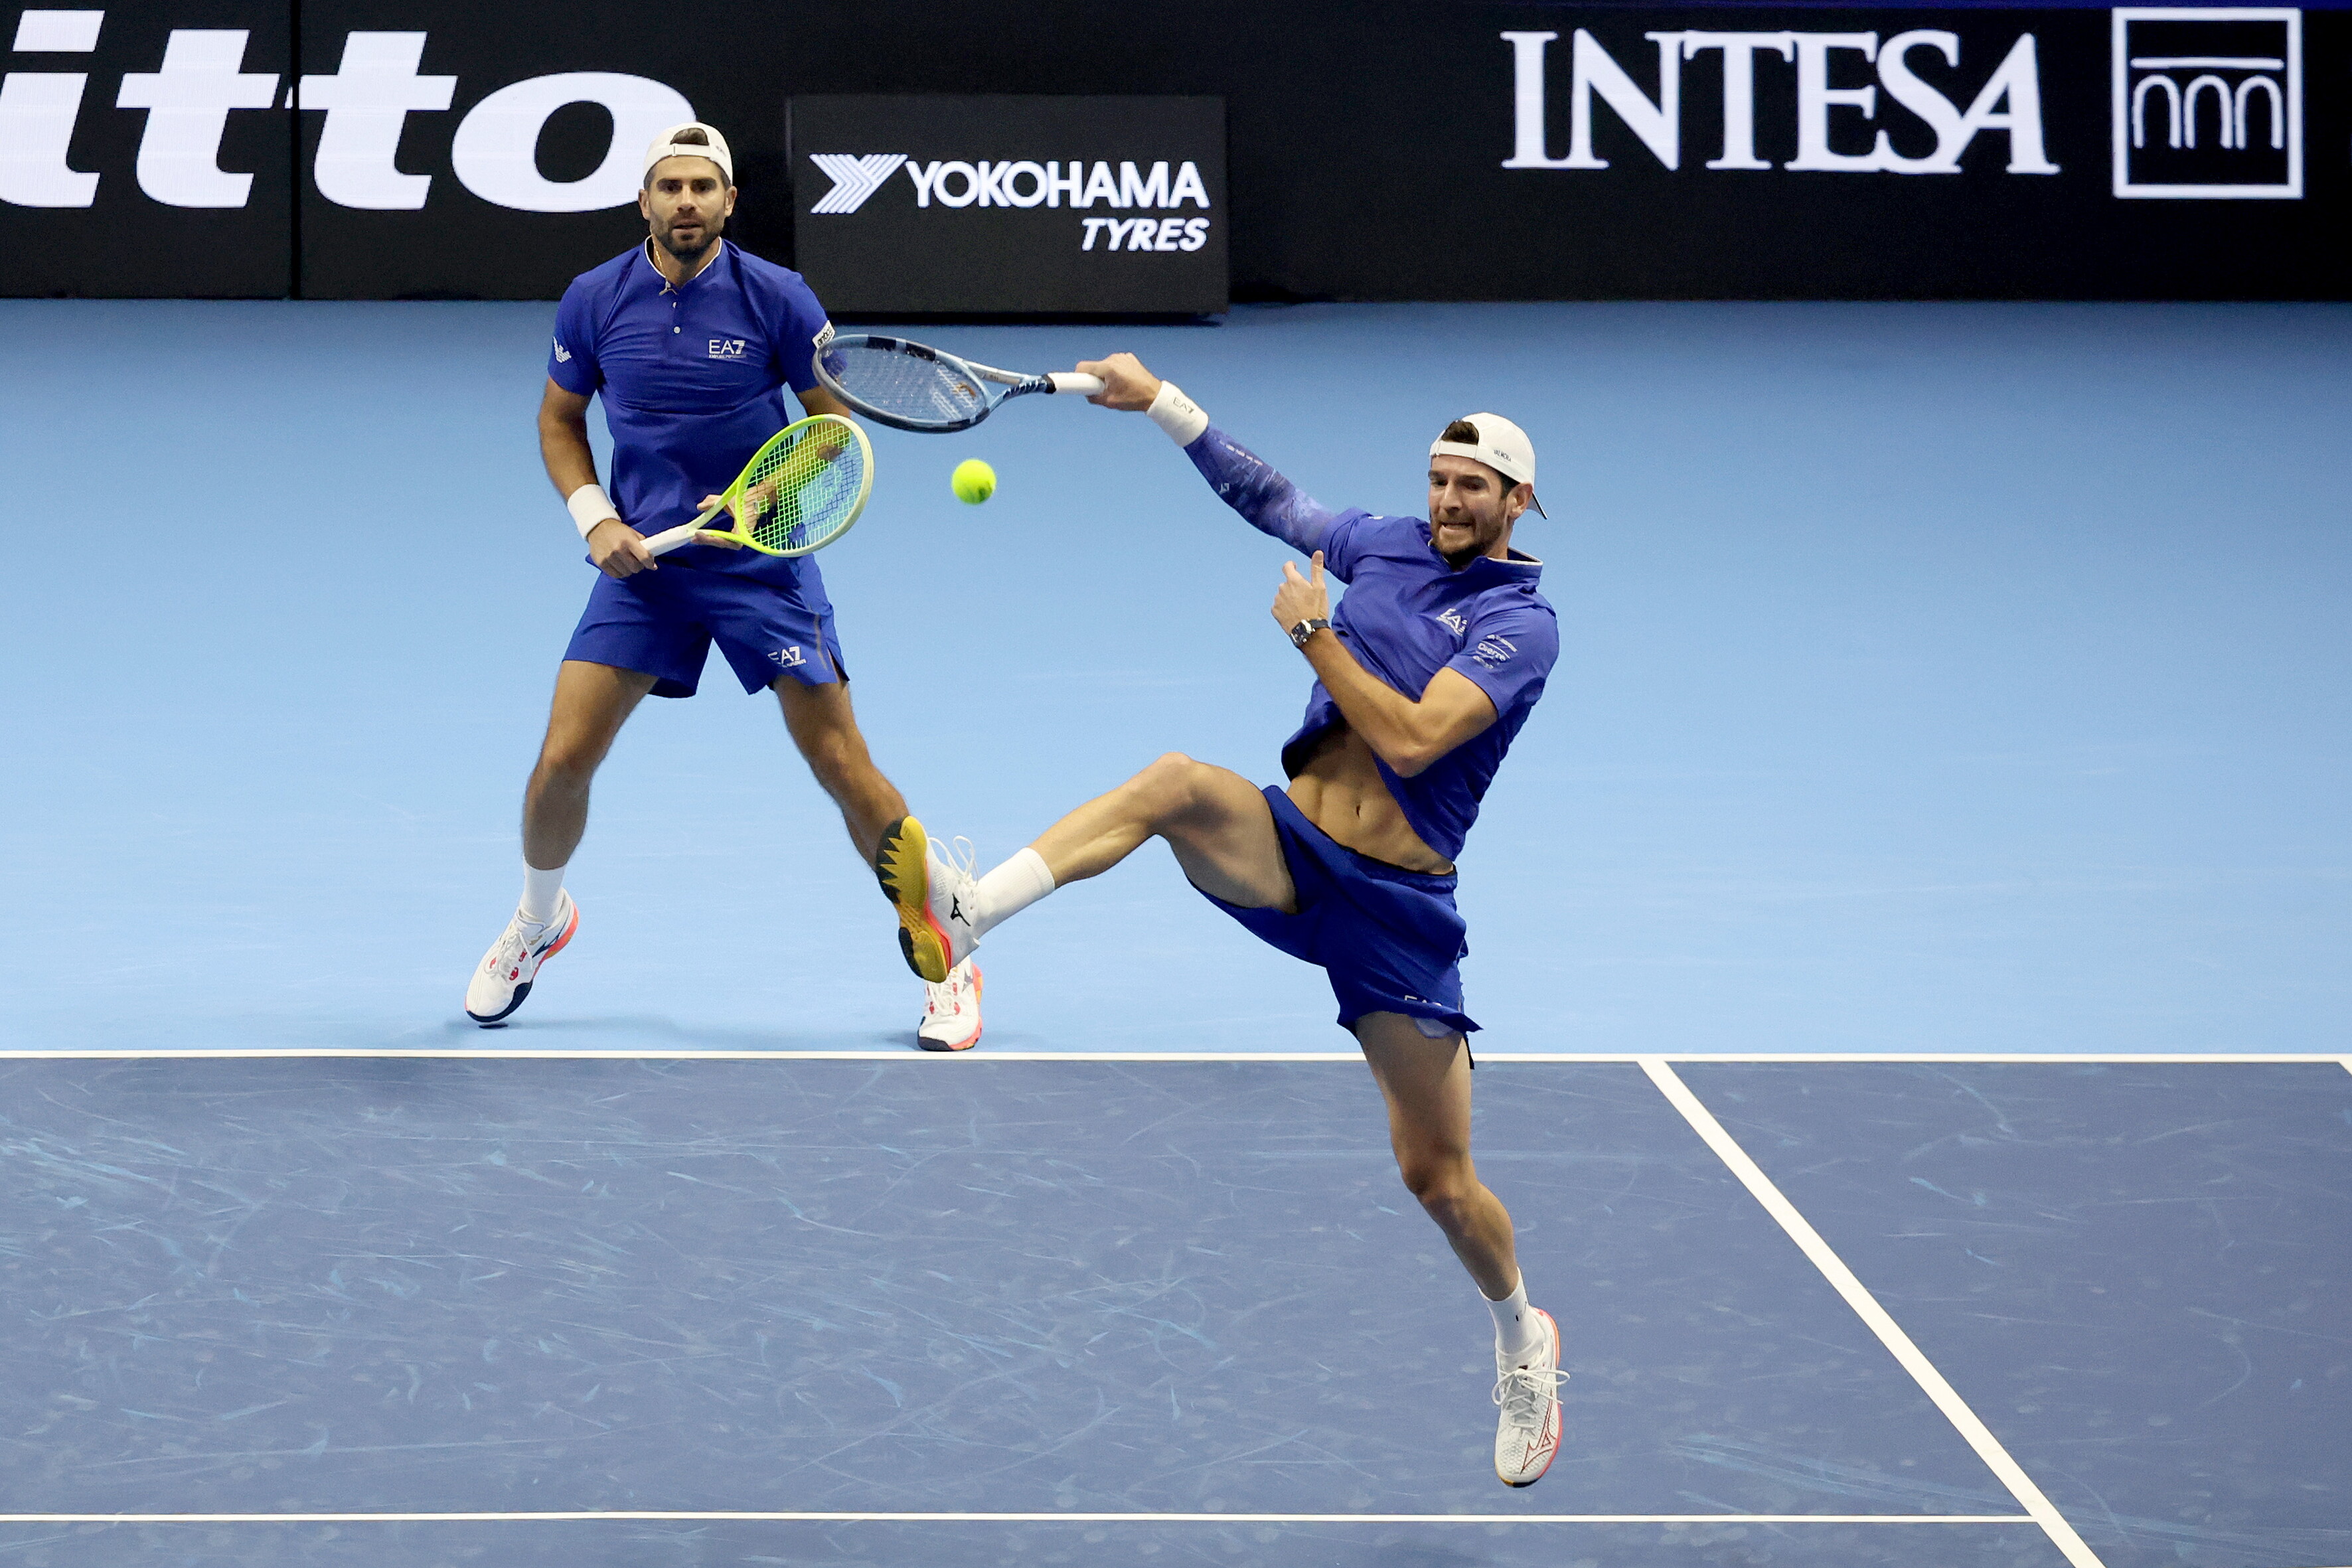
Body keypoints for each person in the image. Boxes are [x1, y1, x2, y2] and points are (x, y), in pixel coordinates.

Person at [870, 354, 1567, 1485]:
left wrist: (1314, 637)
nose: (1447, 502)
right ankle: (971, 914)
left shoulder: (1519, 626)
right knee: (1176, 784)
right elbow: (1272, 498)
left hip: (1395, 913)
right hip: (1292, 851)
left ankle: (1522, 1337)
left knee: (1437, 1180)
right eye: (1440, 480)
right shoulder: (1385, 541)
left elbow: (1411, 741)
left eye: (1471, 488)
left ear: (1517, 501)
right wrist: (1160, 402)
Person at [463, 122, 982, 1050]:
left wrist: (762, 496)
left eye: (703, 187)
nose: (687, 202)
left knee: (841, 763)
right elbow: (559, 420)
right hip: (647, 567)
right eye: (670, 186)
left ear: (730, 200)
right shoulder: (594, 299)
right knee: (561, 762)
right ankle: (540, 918)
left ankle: (944, 944)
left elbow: (834, 430)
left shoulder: (777, 297)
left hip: (759, 560)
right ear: (644, 200)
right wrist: (596, 519)